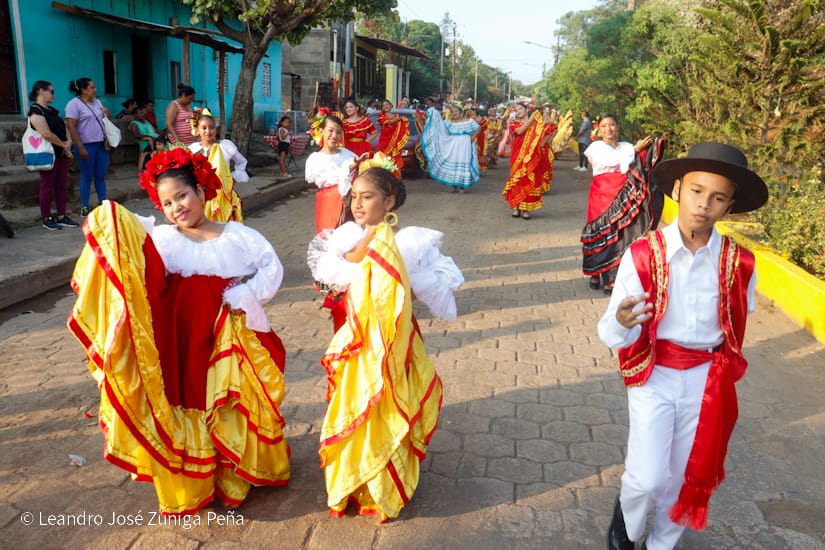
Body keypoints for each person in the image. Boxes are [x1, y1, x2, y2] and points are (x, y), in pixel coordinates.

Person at [68, 148, 291, 515]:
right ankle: (193, 479)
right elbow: (144, 276)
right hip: (179, 338)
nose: (177, 208)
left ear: (202, 191)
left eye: (183, 196)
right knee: (187, 395)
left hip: (225, 336)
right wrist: (116, 227)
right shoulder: (165, 240)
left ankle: (233, 472)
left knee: (225, 399)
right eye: (167, 203)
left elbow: (271, 267)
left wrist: (248, 293)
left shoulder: (238, 235)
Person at [599, 142, 769, 550]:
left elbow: (740, 316)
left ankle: (662, 542)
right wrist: (622, 322)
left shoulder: (739, 263)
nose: (704, 205)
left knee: (682, 472)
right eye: (696, 191)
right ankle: (628, 525)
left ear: (729, 206)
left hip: (706, 380)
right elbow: (611, 327)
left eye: (718, 198)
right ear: (677, 189)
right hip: (653, 374)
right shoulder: (642, 255)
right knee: (646, 476)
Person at [307, 167, 462, 521]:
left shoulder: (404, 240)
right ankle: (355, 477)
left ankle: (382, 484)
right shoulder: (349, 234)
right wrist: (371, 238)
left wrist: (379, 240)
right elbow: (339, 269)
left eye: (368, 196)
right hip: (357, 338)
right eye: (354, 196)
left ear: (389, 201)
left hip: (390, 339)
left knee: (387, 400)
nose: (357, 203)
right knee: (356, 402)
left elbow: (435, 279)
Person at [581, 113, 660, 293]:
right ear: (599, 130)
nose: (608, 129)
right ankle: (595, 272)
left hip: (622, 192)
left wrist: (650, 148)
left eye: (612, 125)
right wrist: (635, 149)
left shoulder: (625, 146)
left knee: (619, 232)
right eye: (604, 126)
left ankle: (611, 277)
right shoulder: (595, 147)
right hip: (602, 193)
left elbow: (636, 162)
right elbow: (608, 162)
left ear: (617, 127)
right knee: (600, 230)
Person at [27, 80, 78, 230]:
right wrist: (64, 145)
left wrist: (68, 141)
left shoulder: (52, 110)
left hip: (61, 152)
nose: (53, 94)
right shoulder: (35, 111)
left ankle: (62, 215)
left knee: (61, 185)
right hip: (48, 153)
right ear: (40, 91)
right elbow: (46, 134)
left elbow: (64, 126)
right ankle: (47, 217)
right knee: (47, 186)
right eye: (51, 91)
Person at [305, 115, 366, 234]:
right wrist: (350, 167)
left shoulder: (346, 153)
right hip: (330, 204)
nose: (334, 136)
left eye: (338, 132)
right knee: (330, 239)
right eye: (330, 131)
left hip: (350, 204)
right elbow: (332, 177)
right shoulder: (316, 159)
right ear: (321, 131)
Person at [189, 110, 247, 222]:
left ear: (216, 129)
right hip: (203, 197)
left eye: (212, 127)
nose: (208, 131)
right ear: (197, 130)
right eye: (204, 128)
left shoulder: (226, 146)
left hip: (224, 194)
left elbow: (242, 162)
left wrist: (234, 178)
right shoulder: (193, 149)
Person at [65, 77, 110, 217]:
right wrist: (80, 147)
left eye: (94, 87)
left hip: (100, 144)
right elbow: (71, 127)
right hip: (85, 144)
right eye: (91, 87)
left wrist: (107, 116)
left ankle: (103, 203)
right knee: (87, 175)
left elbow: (104, 121)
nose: (95, 90)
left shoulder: (97, 102)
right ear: (83, 90)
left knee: (101, 175)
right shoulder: (74, 104)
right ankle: (84, 206)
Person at [502, 102, 553, 220]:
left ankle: (526, 209)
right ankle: (516, 207)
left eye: (520, 108)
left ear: (526, 109)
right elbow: (519, 132)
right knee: (517, 179)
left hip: (531, 155)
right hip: (518, 154)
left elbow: (548, 130)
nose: (518, 111)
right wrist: (531, 120)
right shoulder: (514, 123)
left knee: (528, 178)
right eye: (516, 109)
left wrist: (543, 142)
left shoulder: (536, 124)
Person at [420, 104, 481, 192]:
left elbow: (478, 129)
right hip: (453, 147)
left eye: (456, 111)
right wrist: (434, 115)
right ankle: (454, 185)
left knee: (463, 163)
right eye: (452, 112)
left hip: (465, 147)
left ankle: (462, 186)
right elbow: (439, 127)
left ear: (461, 112)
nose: (454, 113)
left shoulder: (469, 121)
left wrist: (472, 138)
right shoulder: (448, 123)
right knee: (454, 163)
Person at [376, 99, 410, 170]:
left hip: (394, 142)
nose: (385, 106)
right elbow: (388, 123)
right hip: (384, 142)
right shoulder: (381, 116)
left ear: (391, 105)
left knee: (395, 161)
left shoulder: (396, 116)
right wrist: (398, 119)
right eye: (383, 105)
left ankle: (395, 177)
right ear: (382, 108)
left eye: (387, 104)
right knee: (382, 160)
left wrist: (402, 120)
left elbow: (402, 127)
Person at [129, 104, 160, 172]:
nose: (142, 114)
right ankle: (154, 155)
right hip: (145, 143)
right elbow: (136, 134)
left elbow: (154, 131)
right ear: (135, 115)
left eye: (142, 113)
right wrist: (148, 137)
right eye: (140, 113)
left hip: (154, 140)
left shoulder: (146, 122)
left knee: (166, 139)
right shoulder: (134, 124)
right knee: (161, 146)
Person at [467, 106, 488, 174]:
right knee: (472, 152)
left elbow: (485, 128)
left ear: (476, 111)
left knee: (480, 152)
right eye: (470, 112)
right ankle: (473, 168)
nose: (471, 113)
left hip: (481, 137)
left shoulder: (483, 119)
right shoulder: (469, 119)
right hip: (472, 137)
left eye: (472, 111)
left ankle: (480, 167)